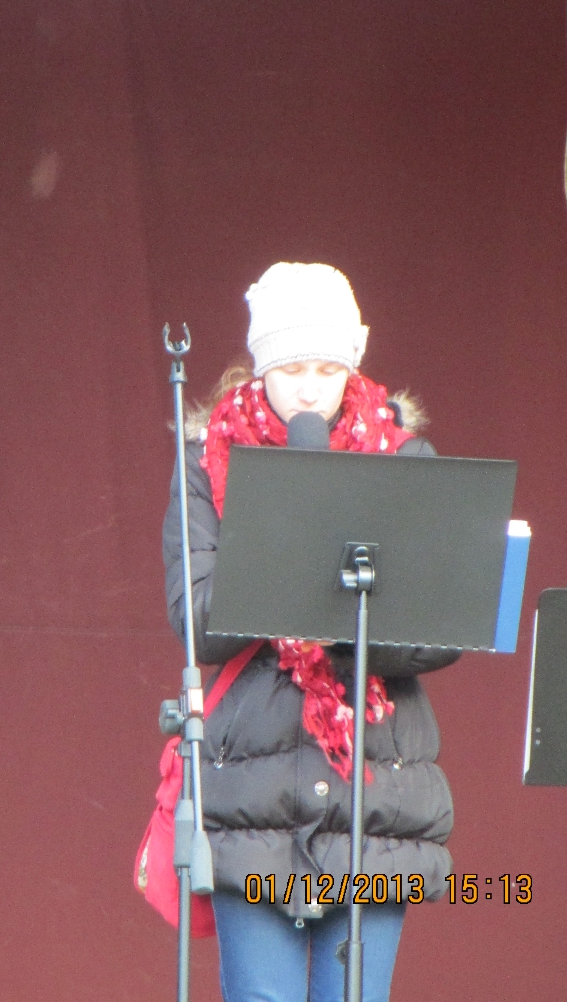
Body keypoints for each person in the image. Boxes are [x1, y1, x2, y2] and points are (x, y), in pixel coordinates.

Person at [163, 262, 459, 1002]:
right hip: (251, 802)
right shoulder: (205, 462)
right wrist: (294, 528)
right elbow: (196, 621)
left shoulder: (403, 459)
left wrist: (332, 615)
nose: (309, 389)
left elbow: (437, 633)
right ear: (261, 365)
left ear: (353, 362)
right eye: (292, 368)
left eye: (328, 369)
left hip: (375, 805)